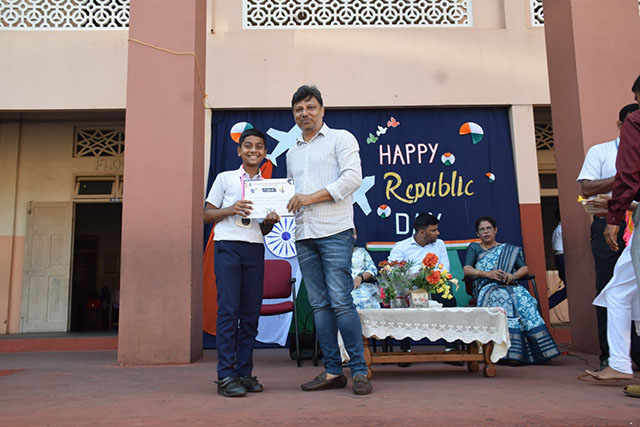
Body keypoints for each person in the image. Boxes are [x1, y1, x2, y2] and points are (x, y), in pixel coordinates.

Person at [286, 85, 372, 395]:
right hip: (304, 234)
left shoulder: (341, 138)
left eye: (310, 107)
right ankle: (333, 371)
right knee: (319, 306)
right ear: (293, 114)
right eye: (298, 109)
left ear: (322, 110)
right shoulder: (292, 152)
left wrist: (310, 198)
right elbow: (291, 195)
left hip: (335, 230)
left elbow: (352, 178)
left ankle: (359, 371)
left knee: (341, 301)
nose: (304, 113)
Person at [204, 128, 280, 397]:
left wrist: (269, 223)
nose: (253, 150)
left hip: (254, 248)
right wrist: (230, 209)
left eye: (259, 146)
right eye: (248, 146)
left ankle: (244, 372)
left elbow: (264, 229)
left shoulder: (267, 186)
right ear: (239, 150)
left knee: (250, 313)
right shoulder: (225, 178)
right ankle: (225, 375)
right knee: (228, 310)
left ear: (265, 153)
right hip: (227, 246)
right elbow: (206, 214)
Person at [577, 102, 640, 370]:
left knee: (628, 291)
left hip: (635, 221)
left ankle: (632, 357)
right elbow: (587, 188)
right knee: (608, 289)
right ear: (620, 125)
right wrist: (625, 177)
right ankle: (610, 356)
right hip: (608, 223)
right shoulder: (600, 151)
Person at [463, 216, 560, 364]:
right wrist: (487, 274)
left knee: (525, 300)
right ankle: (505, 353)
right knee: (502, 298)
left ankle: (535, 352)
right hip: (488, 286)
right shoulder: (474, 248)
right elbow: (467, 269)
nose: (486, 232)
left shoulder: (508, 249)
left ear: (495, 230)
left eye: (489, 228)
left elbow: (524, 268)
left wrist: (513, 276)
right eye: (482, 230)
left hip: (510, 285)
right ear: (477, 234)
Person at [350, 227, 379, 310]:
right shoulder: (332, 255)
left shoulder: (361, 252)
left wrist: (360, 277)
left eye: (354, 234)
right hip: (340, 289)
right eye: (350, 234)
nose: (352, 236)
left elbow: (372, 270)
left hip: (360, 288)